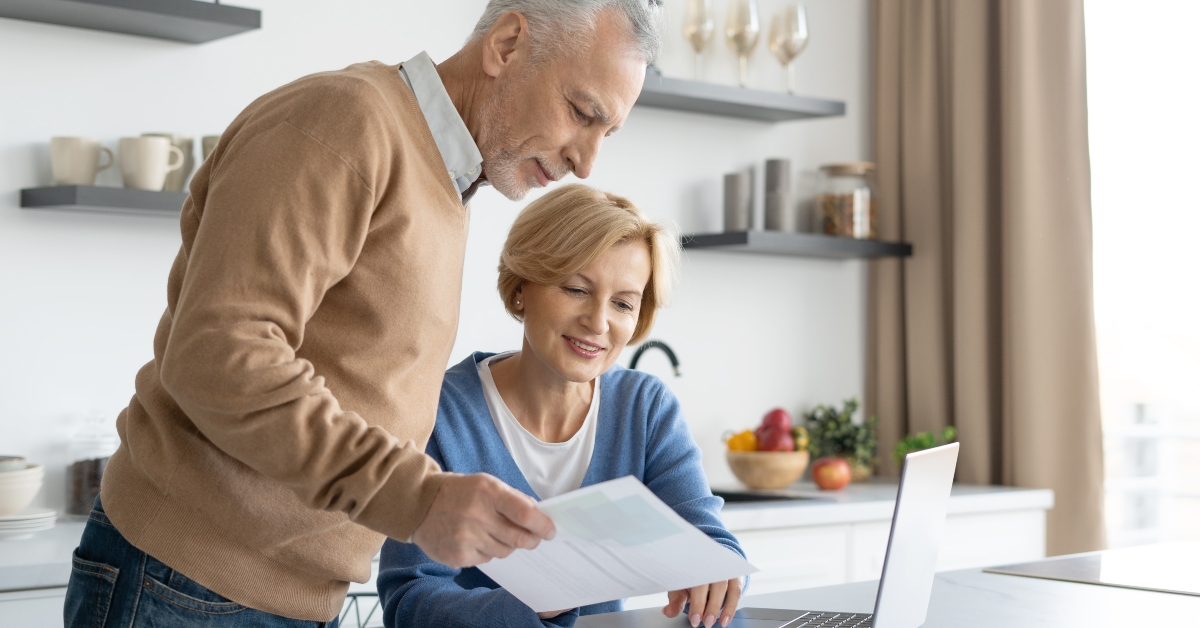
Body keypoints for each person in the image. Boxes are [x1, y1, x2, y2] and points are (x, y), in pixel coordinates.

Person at [64, 2, 663, 627]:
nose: (586, 162)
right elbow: (219, 354)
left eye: (607, 133)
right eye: (581, 113)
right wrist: (418, 497)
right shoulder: (346, 121)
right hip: (185, 585)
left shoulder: (446, 180)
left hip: (276, 599)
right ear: (508, 44)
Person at [376, 184, 746, 628]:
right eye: (575, 289)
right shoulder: (440, 411)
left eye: (624, 303)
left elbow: (708, 539)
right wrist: (528, 608)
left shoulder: (645, 408)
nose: (598, 322)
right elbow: (409, 602)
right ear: (521, 288)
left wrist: (720, 571)